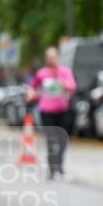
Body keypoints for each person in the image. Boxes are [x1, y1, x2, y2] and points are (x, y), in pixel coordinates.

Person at [28, 48, 76, 179]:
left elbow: (72, 86)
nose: (51, 60)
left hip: (62, 111)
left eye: (53, 57)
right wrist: (31, 94)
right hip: (46, 111)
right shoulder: (42, 73)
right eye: (49, 57)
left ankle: (59, 164)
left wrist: (63, 82)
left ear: (57, 58)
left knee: (62, 140)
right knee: (51, 140)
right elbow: (33, 86)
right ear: (46, 59)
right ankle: (51, 168)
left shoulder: (65, 72)